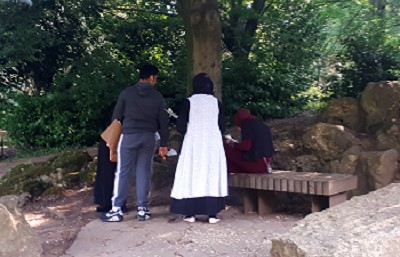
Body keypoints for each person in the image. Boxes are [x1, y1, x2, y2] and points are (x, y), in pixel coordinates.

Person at [101, 64, 169, 222]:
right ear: (152, 77)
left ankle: (116, 210)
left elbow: (116, 118)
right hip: (148, 137)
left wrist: (113, 139)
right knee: (144, 171)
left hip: (129, 136)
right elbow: (164, 122)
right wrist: (164, 144)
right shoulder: (158, 96)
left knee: (123, 172)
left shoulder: (126, 93)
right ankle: (143, 210)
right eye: (156, 78)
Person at [170, 73, 227, 224]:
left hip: (194, 144)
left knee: (192, 175)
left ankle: (190, 214)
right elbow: (222, 126)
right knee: (211, 174)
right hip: (212, 145)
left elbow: (181, 127)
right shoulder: (216, 102)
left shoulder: (189, 102)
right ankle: (212, 214)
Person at [224, 108, 274, 173]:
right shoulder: (262, 124)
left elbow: (246, 146)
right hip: (266, 164)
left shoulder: (247, 124)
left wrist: (232, 143)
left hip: (255, 164)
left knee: (225, 148)